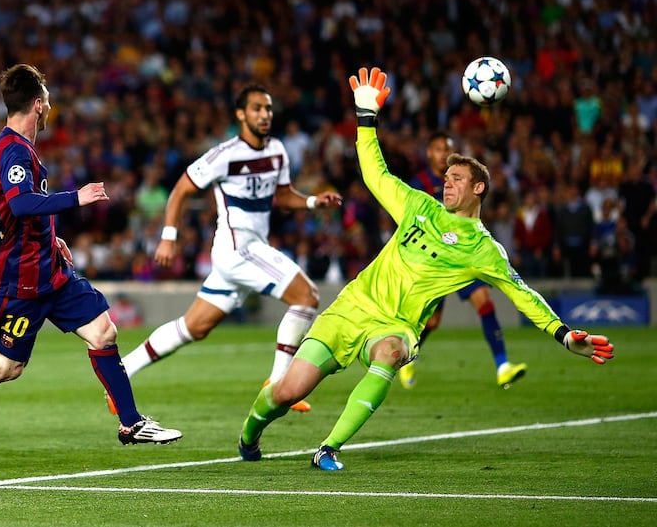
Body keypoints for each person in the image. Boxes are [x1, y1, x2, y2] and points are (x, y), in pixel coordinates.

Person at [237, 67, 615, 471]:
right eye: (446, 178)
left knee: (390, 352)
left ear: (478, 189)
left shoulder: (483, 249)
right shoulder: (418, 206)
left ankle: (328, 448)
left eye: (456, 179)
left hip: (396, 325)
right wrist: (366, 118)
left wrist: (562, 333)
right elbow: (374, 173)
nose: (446, 184)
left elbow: (522, 293)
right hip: (351, 308)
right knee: (286, 393)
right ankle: (249, 435)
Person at [0, 64, 181, 452]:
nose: (51, 107)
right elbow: (19, 205)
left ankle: (131, 423)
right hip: (23, 279)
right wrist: (76, 197)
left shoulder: (8, 149)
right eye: (49, 101)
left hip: (49, 269)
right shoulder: (13, 151)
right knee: (8, 367)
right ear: (38, 105)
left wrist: (49, 238)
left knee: (103, 331)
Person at [117, 84, 342, 413]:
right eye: (256, 109)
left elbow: (281, 195)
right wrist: (169, 236)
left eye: (267, 109)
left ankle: (122, 373)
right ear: (241, 114)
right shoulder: (224, 155)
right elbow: (181, 189)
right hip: (238, 247)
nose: (264, 115)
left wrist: (311, 201)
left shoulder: (277, 150)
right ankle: (279, 383)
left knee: (194, 327)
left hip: (246, 249)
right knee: (306, 296)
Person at [399, 131, 528, 390]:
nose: (443, 154)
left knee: (484, 301)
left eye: (447, 148)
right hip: (433, 258)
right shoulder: (419, 181)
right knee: (432, 322)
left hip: (463, 253)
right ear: (428, 153)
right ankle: (407, 358)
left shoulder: (463, 180)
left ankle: (503, 366)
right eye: (438, 149)